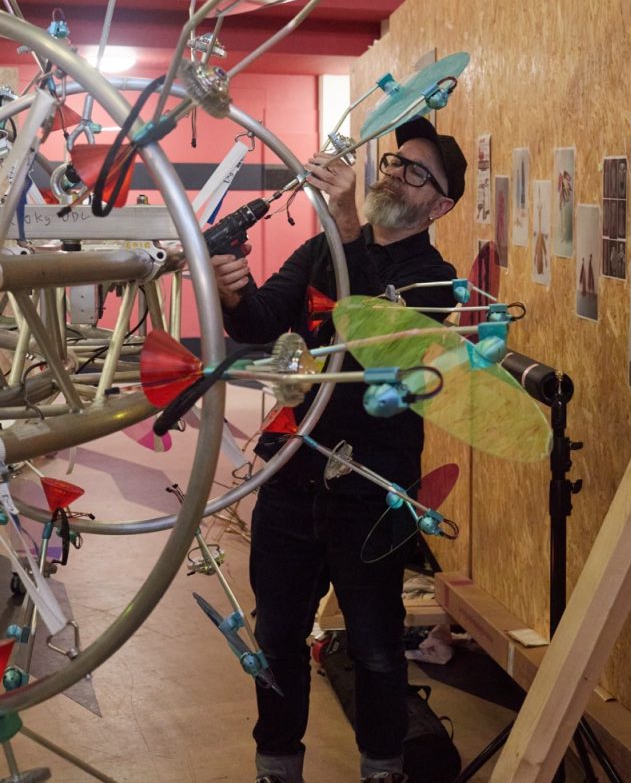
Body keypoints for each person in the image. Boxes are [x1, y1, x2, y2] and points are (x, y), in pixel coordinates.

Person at [211, 116, 466, 783]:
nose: (394, 172)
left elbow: (382, 331)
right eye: (393, 161)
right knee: (275, 641)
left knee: (378, 648)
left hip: (371, 489)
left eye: (416, 171)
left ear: (440, 204)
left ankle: (383, 769)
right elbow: (263, 324)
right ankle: (277, 768)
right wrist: (233, 293)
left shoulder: (435, 279)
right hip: (294, 477)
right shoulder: (321, 251)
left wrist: (349, 226)